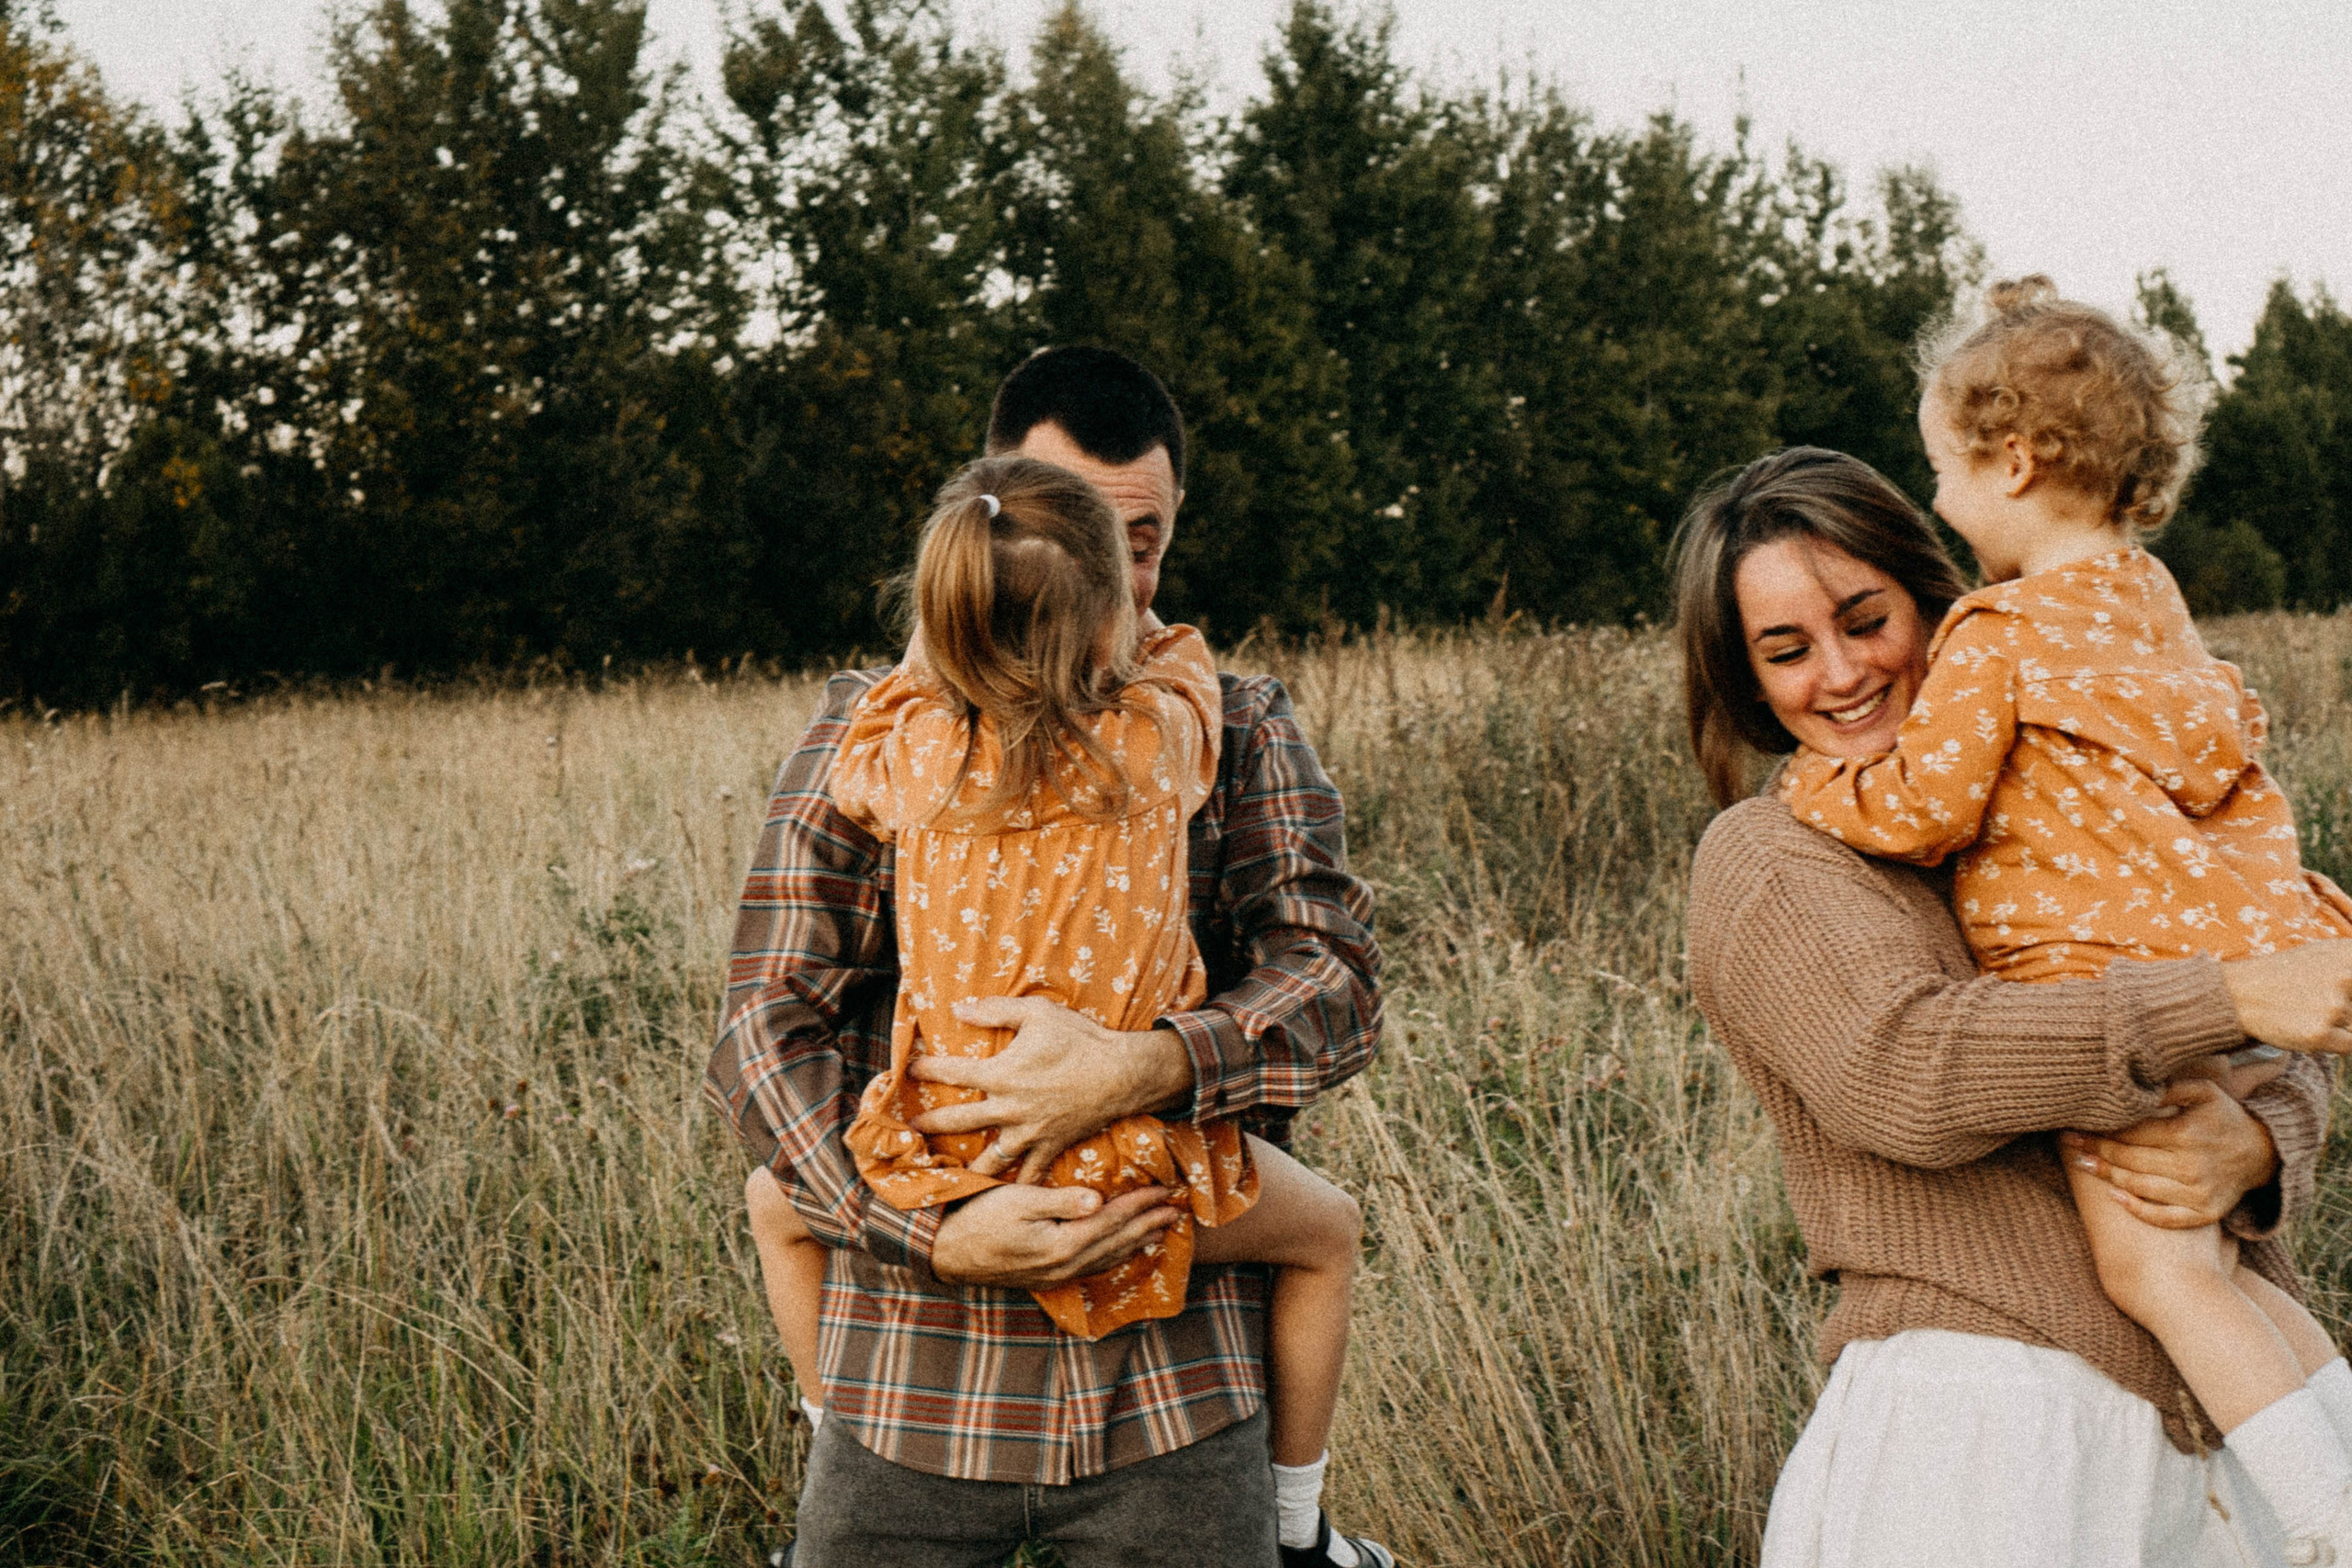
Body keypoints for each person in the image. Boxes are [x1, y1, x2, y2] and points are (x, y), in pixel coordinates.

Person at [706, 346, 1388, 1568]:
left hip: (1175, 1394)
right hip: (913, 1387)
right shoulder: (880, 728)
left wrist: (1147, 1063)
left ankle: (1302, 1541)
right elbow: (763, 1024)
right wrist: (925, 1229)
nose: (1115, 583)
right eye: (1079, 535)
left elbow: (1333, 977)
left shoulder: (1225, 719)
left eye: (1145, 540)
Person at [1675, 443, 2352, 1565]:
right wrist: (2214, 1000)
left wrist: (2262, 1137)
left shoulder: (2056, 781)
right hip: (1984, 1433)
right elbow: (1902, 1070)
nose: (1840, 673)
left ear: (1938, 604)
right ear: (1748, 682)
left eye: (1865, 619)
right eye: (1786, 652)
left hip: (2222, 1412)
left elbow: (2268, 981)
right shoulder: (1773, 855)